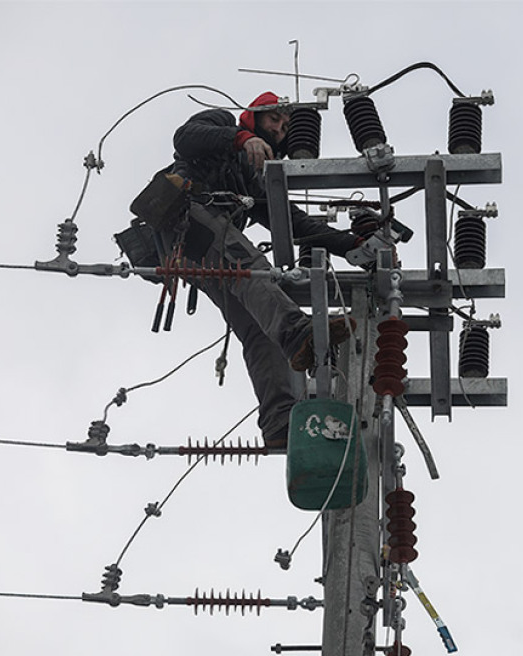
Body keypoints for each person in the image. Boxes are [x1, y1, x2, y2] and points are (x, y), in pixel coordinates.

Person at [146, 91, 362, 450]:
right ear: (255, 115)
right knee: (252, 270)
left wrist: (352, 245)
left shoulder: (251, 182)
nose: (280, 128)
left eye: (285, 125)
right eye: (274, 118)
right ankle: (295, 331)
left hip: (199, 252)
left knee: (257, 325)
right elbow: (184, 138)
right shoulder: (222, 124)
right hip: (187, 218)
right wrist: (241, 138)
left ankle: (279, 423)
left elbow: (294, 224)